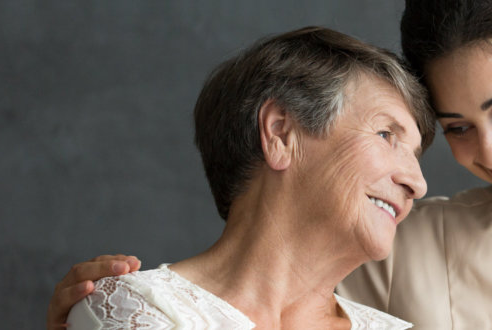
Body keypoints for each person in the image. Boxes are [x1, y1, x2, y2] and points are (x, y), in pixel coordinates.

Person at [53, 0, 492, 328]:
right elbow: (254, 282)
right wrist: (116, 314)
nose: (488, 154)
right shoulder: (400, 245)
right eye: (456, 127)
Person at [55, 26, 436, 330]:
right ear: (281, 134)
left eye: (415, 155)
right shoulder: (137, 308)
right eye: (387, 135)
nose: (417, 183)